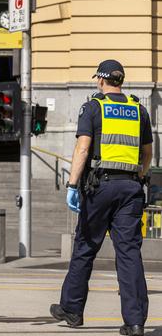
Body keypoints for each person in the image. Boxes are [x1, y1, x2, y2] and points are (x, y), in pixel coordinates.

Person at [50, 60, 151, 336]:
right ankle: (135, 321)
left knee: (85, 245)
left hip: (100, 187)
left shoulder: (93, 107)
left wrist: (72, 184)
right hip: (131, 188)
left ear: (101, 80)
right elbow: (148, 153)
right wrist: (138, 176)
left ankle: (71, 308)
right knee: (129, 254)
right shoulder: (138, 109)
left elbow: (83, 149)